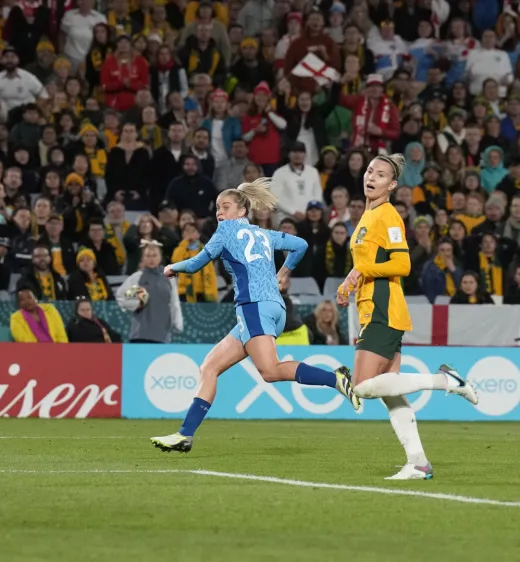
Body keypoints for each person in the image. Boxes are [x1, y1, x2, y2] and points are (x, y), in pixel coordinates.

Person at [150, 178, 359, 454]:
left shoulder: (225, 231)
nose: (219, 212)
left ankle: (335, 378)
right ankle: (184, 435)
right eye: (217, 207)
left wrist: (171, 268)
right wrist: (283, 271)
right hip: (274, 308)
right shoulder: (263, 233)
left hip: (254, 307)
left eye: (225, 207)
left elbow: (196, 263)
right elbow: (300, 244)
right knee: (209, 367)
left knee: (270, 371)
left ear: (241, 211)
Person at [336, 153, 478, 480]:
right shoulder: (367, 216)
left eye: (380, 174)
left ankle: (446, 381)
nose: (371, 176)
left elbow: (402, 264)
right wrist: (349, 283)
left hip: (383, 307)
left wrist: (361, 270)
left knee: (362, 386)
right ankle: (418, 463)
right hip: (372, 306)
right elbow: (367, 265)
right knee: (390, 394)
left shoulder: (388, 216)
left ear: (392, 185)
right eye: (369, 170)